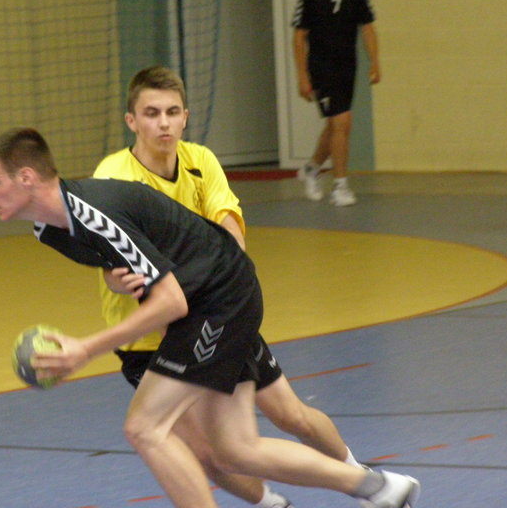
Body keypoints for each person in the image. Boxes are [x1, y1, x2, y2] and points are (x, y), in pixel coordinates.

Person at [0, 127, 420, 508]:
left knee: (145, 427)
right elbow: (127, 262)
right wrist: (117, 279)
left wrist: (86, 349)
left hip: (217, 299)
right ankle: (379, 487)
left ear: (27, 177)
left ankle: (367, 483)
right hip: (211, 298)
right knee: (233, 450)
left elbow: (171, 301)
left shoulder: (91, 211)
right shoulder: (50, 230)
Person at [93, 66, 365, 507]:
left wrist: (217, 284)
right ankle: (271, 504)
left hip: (213, 318)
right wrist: (119, 278)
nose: (163, 123)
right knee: (208, 453)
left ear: (185, 117)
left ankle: (366, 482)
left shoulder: (200, 161)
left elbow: (230, 231)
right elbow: (109, 264)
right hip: (149, 341)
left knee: (290, 415)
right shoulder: (113, 178)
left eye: (172, 112)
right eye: (151, 113)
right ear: (132, 121)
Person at [291, 0, 380, 207]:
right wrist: (302, 76)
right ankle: (340, 185)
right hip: (321, 68)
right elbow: (299, 37)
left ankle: (311, 169)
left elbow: (367, 28)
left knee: (335, 125)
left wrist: (375, 61)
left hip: (347, 68)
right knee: (343, 122)